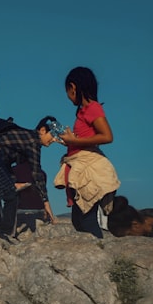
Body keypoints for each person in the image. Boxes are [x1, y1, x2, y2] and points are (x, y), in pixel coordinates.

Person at [51, 67, 119, 238]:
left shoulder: (93, 108)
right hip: (82, 168)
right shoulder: (84, 111)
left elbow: (107, 136)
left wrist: (74, 141)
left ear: (73, 87)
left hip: (89, 171)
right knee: (79, 220)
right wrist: (71, 141)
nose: (67, 96)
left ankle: (100, 252)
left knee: (86, 220)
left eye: (67, 91)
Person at [0, 116, 59, 224]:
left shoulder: (26, 136)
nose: (54, 140)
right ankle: (2, 226)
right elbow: (36, 173)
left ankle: (4, 226)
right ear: (42, 130)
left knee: (9, 194)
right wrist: (46, 203)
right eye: (52, 135)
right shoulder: (34, 141)